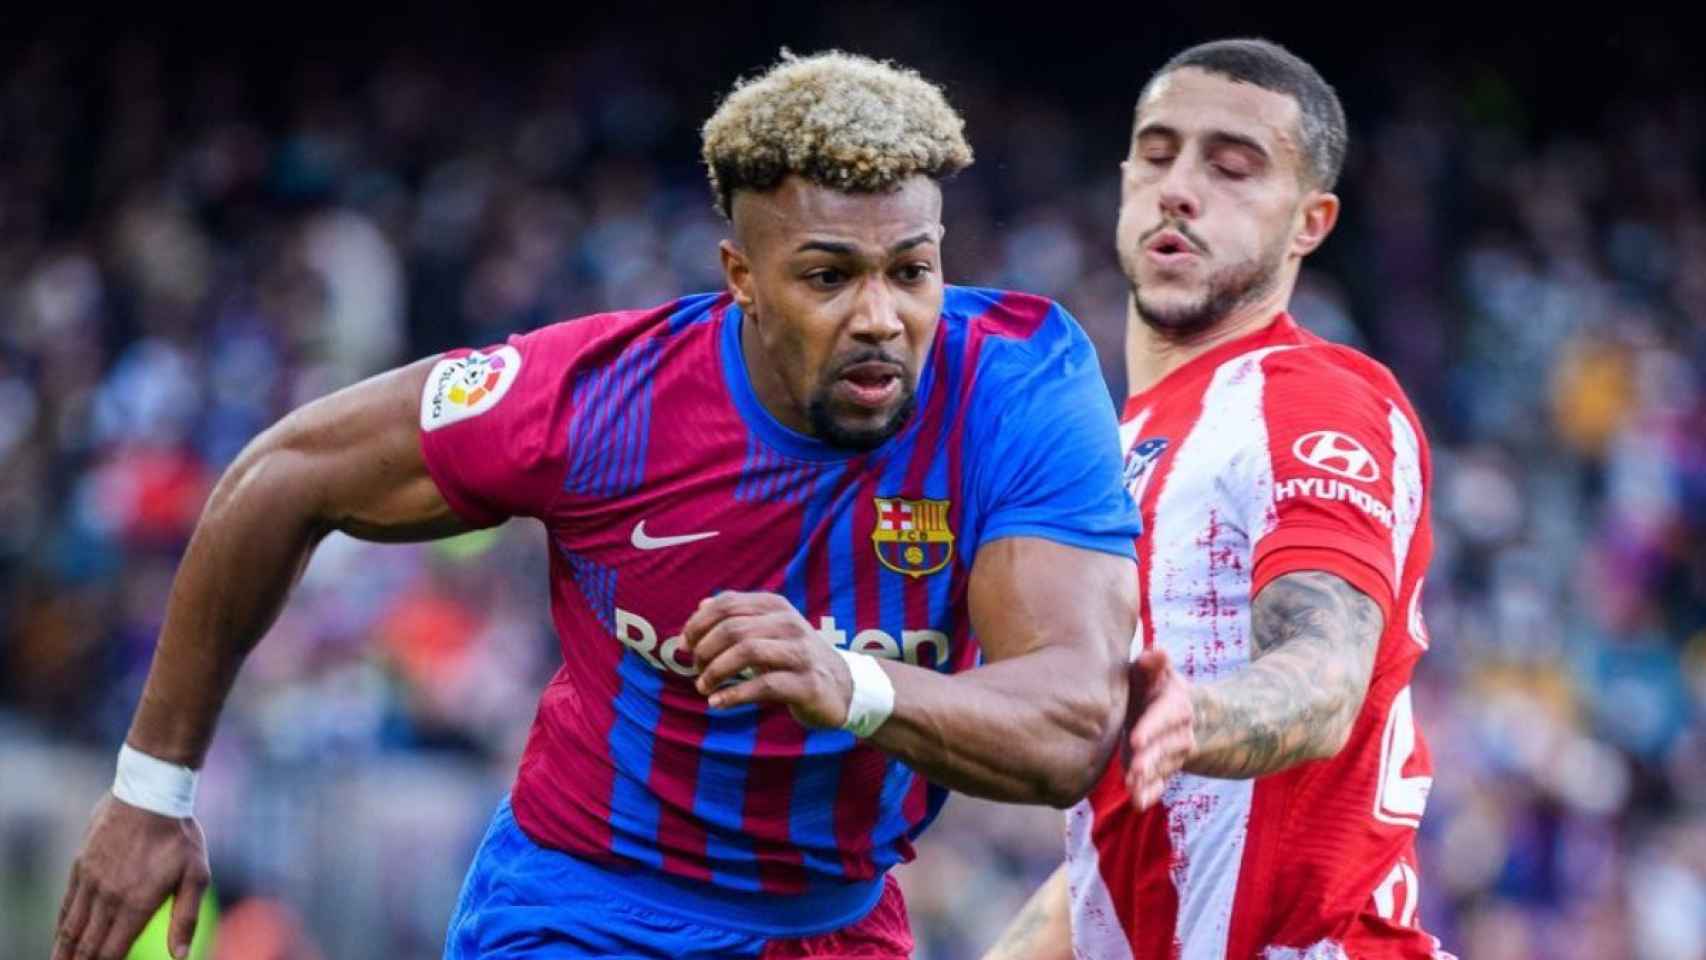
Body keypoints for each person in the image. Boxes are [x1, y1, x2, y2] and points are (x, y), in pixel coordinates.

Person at [53, 51, 1149, 960]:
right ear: (741, 276)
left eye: (911, 272)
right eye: (827, 276)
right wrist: (153, 791)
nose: (880, 316)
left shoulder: (1014, 383)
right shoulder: (597, 400)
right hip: (586, 907)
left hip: (838, 923)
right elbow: (281, 474)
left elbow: (1068, 725)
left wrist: (848, 682)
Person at [985, 38, 1451, 960]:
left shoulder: (1309, 396)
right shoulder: (1112, 450)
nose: (1181, 188)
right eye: (1157, 155)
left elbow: (1325, 672)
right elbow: (1112, 856)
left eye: (1233, 169)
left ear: (1309, 223)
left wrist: (1200, 715)